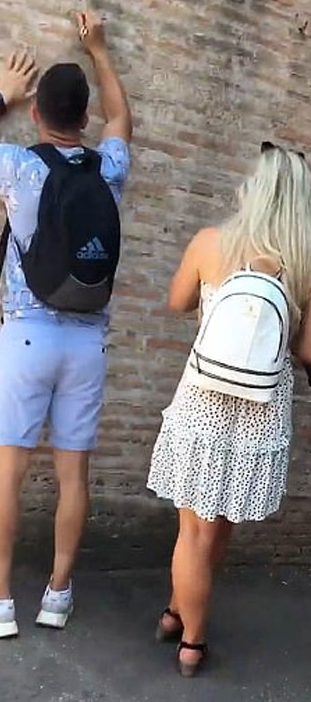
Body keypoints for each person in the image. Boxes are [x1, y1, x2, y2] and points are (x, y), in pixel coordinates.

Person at [0, 11, 132, 639]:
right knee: (74, 475)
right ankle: (58, 594)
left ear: (38, 114)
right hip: (87, 342)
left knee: (7, 471)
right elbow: (122, 121)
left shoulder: (19, 166)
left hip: (28, 334)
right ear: (84, 117)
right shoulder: (109, 170)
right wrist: (98, 48)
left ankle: (1, 600)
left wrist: (0, 96)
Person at [145, 142, 311, 676]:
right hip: (262, 412)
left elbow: (175, 303)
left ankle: (190, 639)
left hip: (203, 401)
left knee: (191, 530)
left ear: (252, 190)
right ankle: (177, 611)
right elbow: (305, 352)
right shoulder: (305, 265)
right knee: (218, 528)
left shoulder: (211, 243)